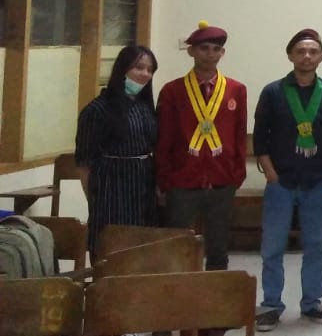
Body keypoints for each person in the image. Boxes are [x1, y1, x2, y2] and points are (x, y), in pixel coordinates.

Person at [254, 29, 322, 331]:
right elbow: (261, 137)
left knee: (316, 246)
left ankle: (312, 303)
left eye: (313, 51)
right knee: (272, 247)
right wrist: (270, 173)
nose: (307, 56)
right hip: (281, 180)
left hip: (317, 180)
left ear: (321, 57)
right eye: (301, 51)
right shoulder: (273, 92)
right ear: (290, 55)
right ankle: (271, 305)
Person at [156, 21, 248, 272]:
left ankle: (216, 292)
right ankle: (178, 292)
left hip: (222, 179)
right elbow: (165, 137)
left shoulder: (236, 90)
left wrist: (237, 173)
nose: (210, 54)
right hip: (182, 179)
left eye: (216, 49)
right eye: (204, 48)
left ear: (222, 53)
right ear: (191, 51)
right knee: (178, 244)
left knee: (219, 246)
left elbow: (239, 134)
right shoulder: (172, 90)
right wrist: (164, 178)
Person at [75, 45, 160, 256]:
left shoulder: (144, 106)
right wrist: (93, 198)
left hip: (144, 184)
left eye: (150, 69)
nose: (145, 74)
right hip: (111, 186)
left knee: (142, 248)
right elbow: (84, 161)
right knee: (112, 247)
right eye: (138, 67)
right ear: (122, 68)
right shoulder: (97, 109)